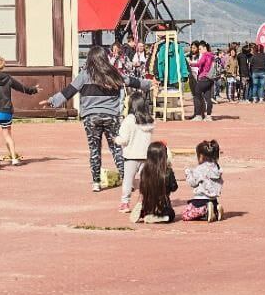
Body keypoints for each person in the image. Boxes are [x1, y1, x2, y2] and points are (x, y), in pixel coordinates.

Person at [44, 45, 146, 191]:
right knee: (117, 149)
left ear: (90, 58)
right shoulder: (113, 73)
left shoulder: (84, 74)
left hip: (91, 117)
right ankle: (126, 181)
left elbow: (69, 91)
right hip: (112, 116)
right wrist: (149, 84)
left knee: (94, 150)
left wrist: (52, 101)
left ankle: (96, 182)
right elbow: (133, 81)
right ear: (104, 58)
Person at [115, 91, 155, 213]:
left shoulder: (128, 120)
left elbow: (124, 140)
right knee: (144, 180)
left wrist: (116, 139)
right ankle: (143, 201)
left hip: (131, 156)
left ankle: (125, 203)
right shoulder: (149, 121)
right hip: (145, 155)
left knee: (128, 180)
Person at [135, 140, 178, 224]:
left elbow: (142, 188)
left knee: (148, 209)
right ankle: (157, 217)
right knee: (171, 214)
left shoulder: (144, 171)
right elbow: (174, 187)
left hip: (147, 203)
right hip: (163, 205)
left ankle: (143, 212)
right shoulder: (167, 171)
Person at [181, 140, 223, 221]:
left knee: (185, 214)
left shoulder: (200, 169)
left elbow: (193, 183)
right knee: (211, 206)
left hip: (200, 199)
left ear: (201, 156)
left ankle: (205, 210)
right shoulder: (216, 168)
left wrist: (188, 174)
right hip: (213, 199)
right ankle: (215, 209)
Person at [188, 40, 216, 121]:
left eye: (200, 49)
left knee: (196, 94)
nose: (199, 51)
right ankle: (208, 115)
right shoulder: (212, 56)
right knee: (208, 97)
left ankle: (198, 115)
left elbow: (200, 63)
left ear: (204, 48)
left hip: (203, 77)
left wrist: (191, 63)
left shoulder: (205, 55)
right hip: (210, 79)